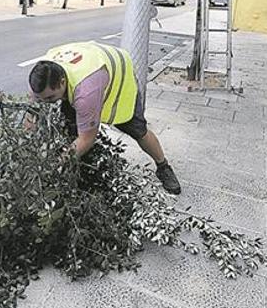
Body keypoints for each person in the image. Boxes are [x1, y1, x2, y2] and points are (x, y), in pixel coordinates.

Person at [27, 42, 182, 194]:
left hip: (118, 75)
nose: (46, 102)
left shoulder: (85, 93)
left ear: (62, 82)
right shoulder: (41, 78)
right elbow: (31, 113)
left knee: (138, 130)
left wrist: (56, 165)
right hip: (90, 68)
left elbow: (87, 138)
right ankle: (79, 167)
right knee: (70, 126)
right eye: (41, 98)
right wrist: (25, 146)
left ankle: (163, 167)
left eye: (50, 98)